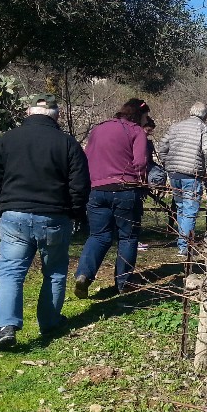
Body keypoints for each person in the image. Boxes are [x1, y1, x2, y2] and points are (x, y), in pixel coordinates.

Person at [0, 94, 90, 351]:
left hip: (14, 215)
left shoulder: (8, 140)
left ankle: (6, 327)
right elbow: (80, 184)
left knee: (10, 272)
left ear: (28, 113)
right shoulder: (67, 143)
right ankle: (50, 322)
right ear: (57, 115)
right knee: (54, 272)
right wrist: (74, 213)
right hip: (54, 216)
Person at [73, 101, 149, 298]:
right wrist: (142, 182)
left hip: (96, 189)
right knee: (128, 236)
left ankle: (84, 274)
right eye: (145, 117)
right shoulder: (136, 131)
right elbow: (140, 162)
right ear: (139, 115)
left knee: (98, 235)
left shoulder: (99, 129)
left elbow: (86, 156)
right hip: (125, 188)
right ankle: (123, 281)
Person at [156, 102, 207, 256]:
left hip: (174, 173)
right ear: (205, 115)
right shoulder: (204, 129)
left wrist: (167, 163)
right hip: (192, 173)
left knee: (181, 208)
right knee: (190, 210)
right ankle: (185, 246)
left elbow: (162, 145)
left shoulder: (176, 126)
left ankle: (182, 243)